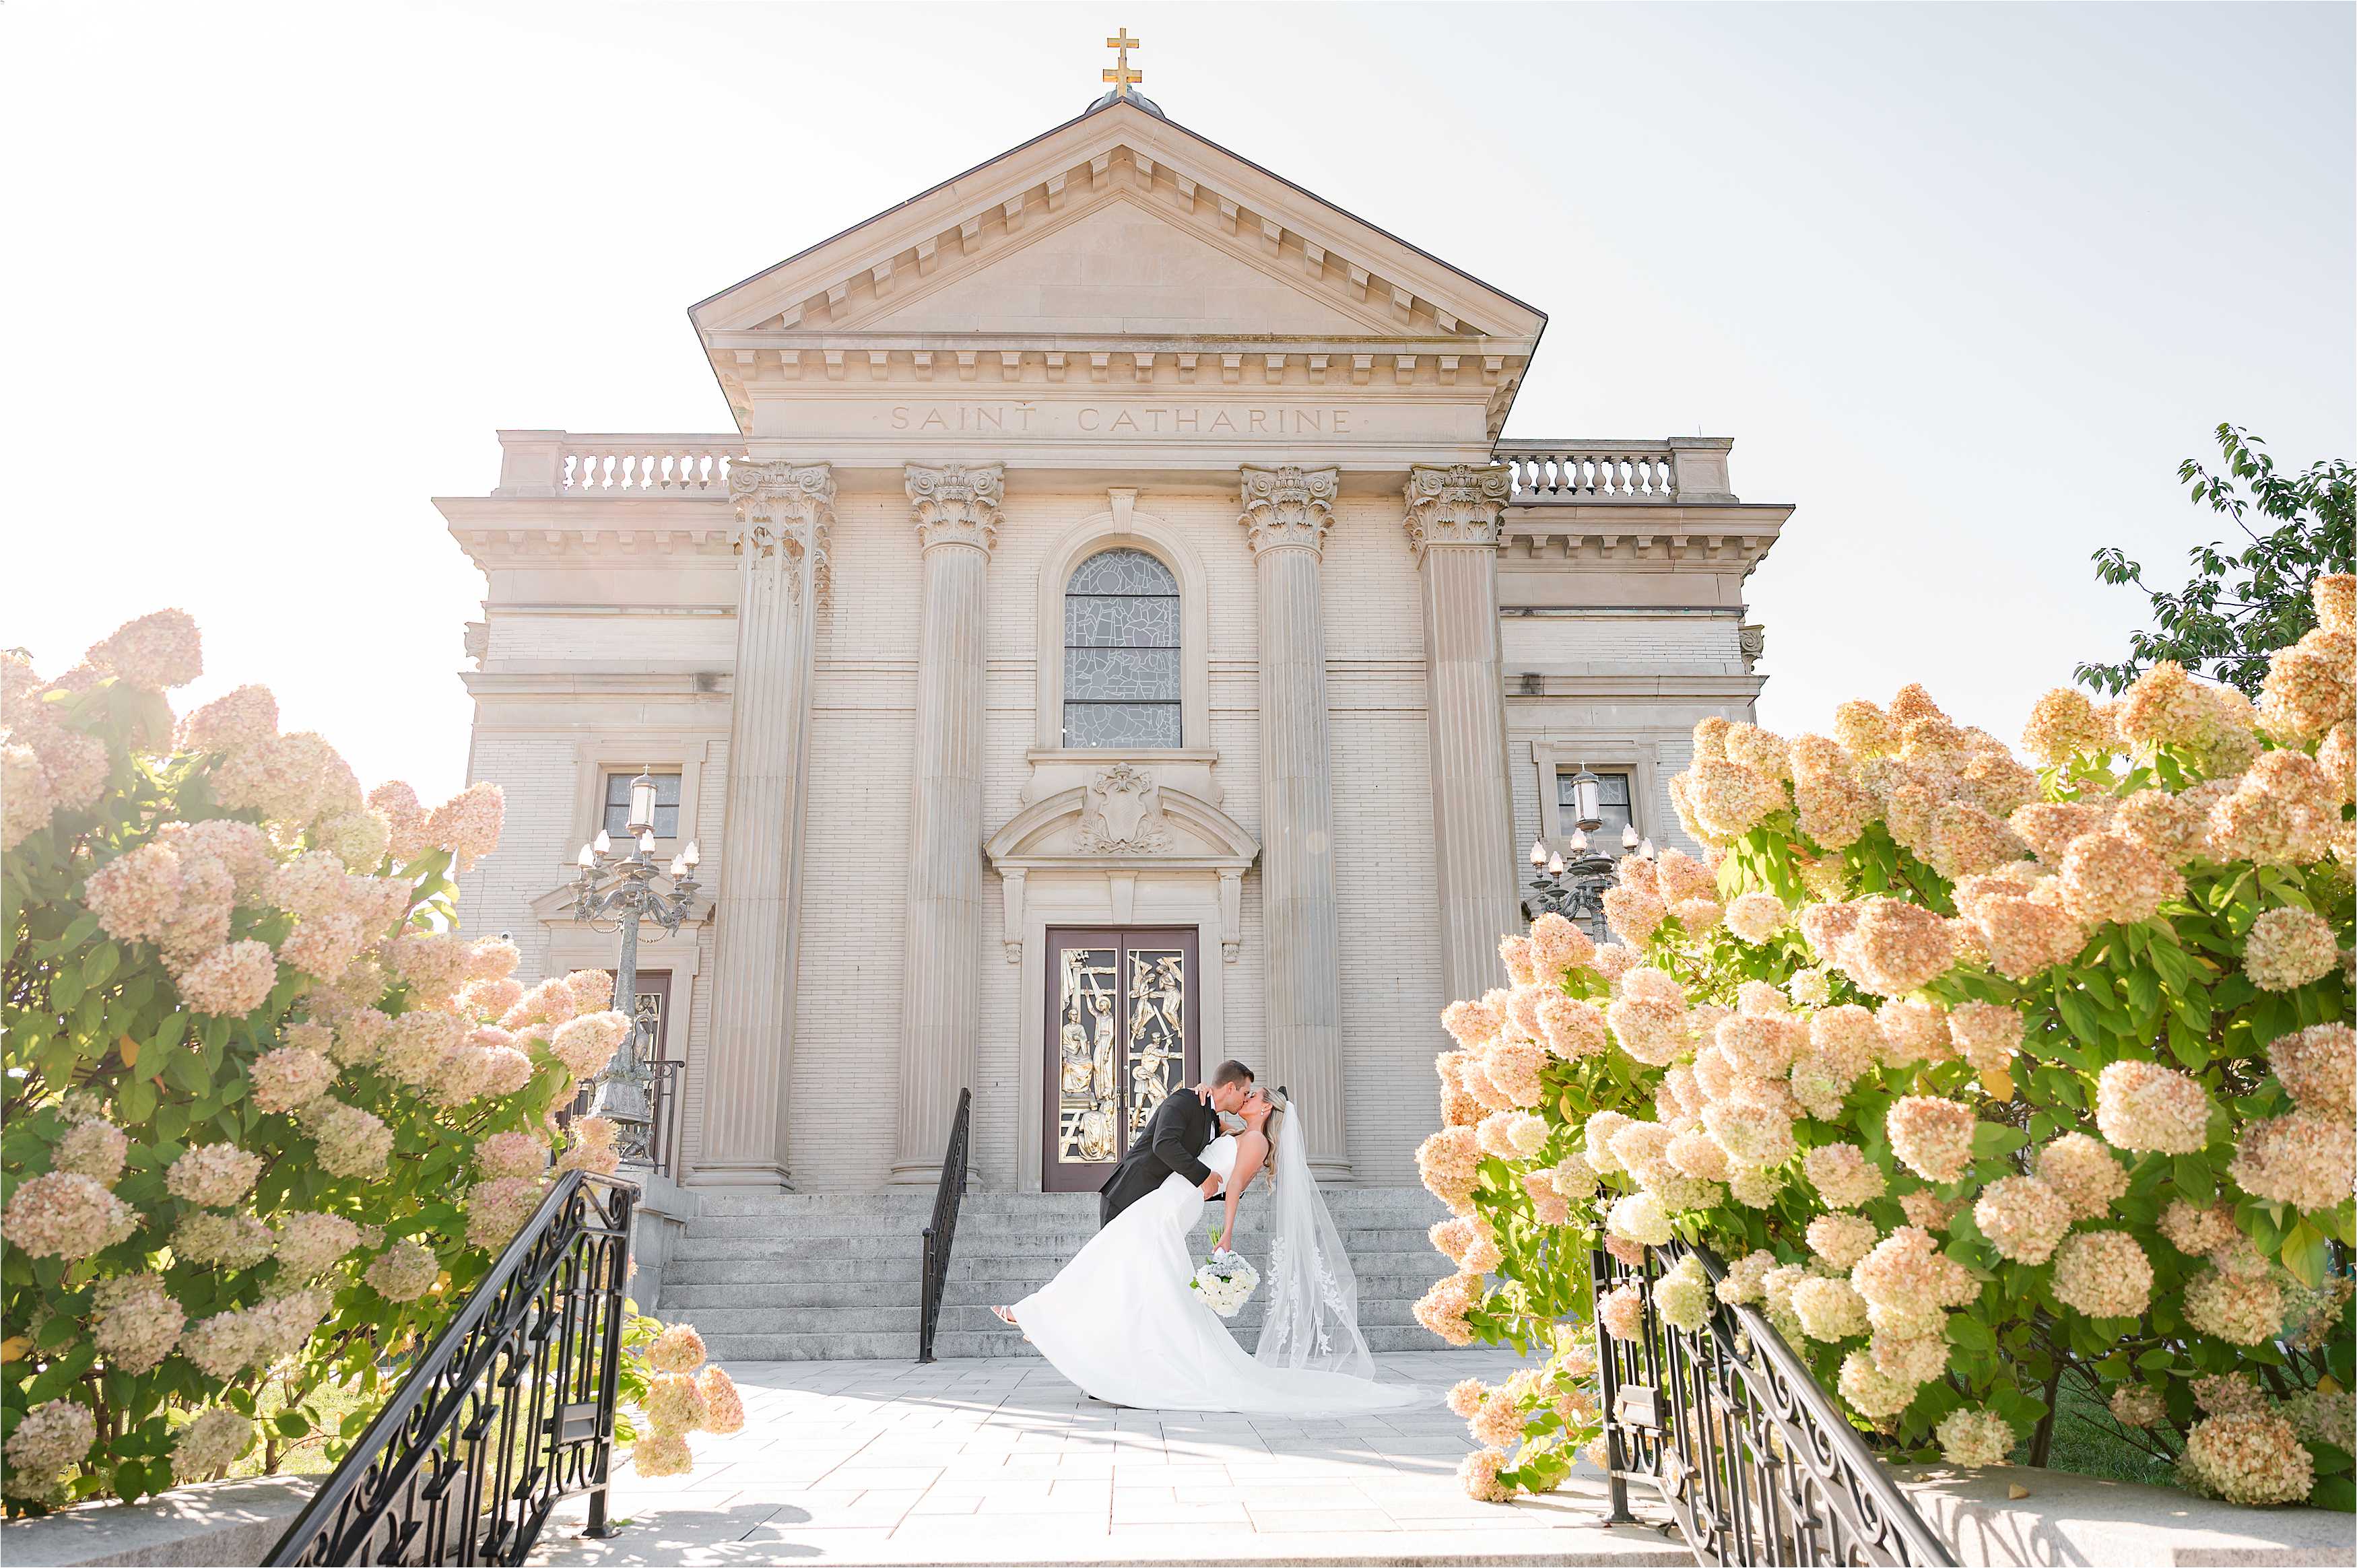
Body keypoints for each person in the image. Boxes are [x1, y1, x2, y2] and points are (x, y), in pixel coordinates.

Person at [991, 1085, 1420, 1414]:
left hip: (1174, 1206)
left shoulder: (1257, 1143)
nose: (1246, 1097)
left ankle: (1039, 1315)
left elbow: (1232, 1189)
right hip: (1163, 1201)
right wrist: (1205, 1095)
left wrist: (1227, 1237)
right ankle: (1063, 1327)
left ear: (1266, 1107)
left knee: (1113, 1260)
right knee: (1127, 1272)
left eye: (1252, 1095)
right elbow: (1208, 1130)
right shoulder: (1237, 1130)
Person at [1094, 1060, 1252, 1228]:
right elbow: (1164, 1145)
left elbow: (1242, 1141)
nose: (1247, 1099)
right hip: (1127, 1195)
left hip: (1154, 1206)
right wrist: (1204, 1176)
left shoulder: (1212, 1119)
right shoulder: (1185, 1099)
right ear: (1230, 1088)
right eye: (1245, 1093)